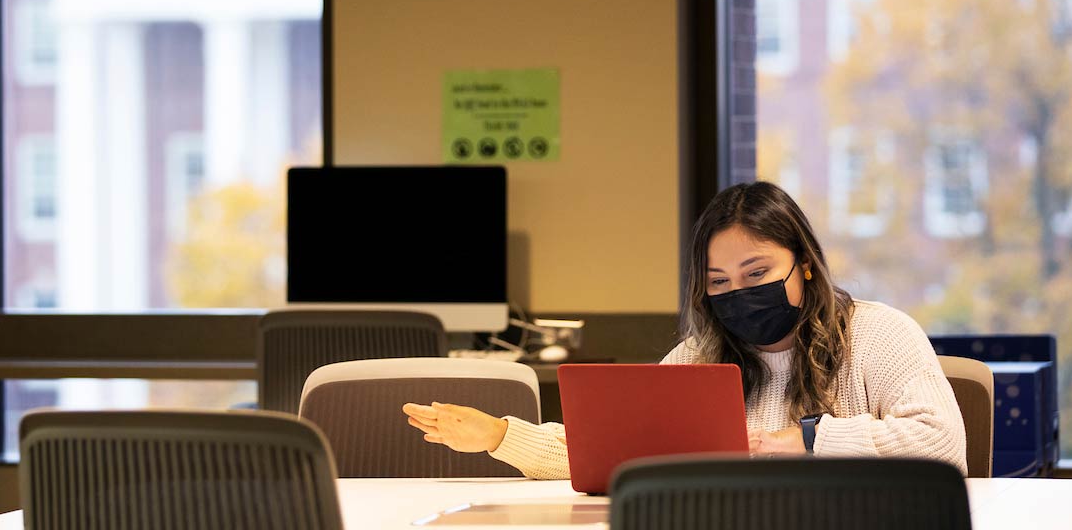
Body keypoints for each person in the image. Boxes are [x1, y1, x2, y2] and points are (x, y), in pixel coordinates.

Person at [402, 180, 968, 479]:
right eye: (718, 281)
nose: (738, 294)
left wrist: (806, 440)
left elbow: (941, 446)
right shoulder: (700, 355)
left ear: (806, 265)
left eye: (757, 273)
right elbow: (614, 453)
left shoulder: (878, 334)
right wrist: (500, 436)